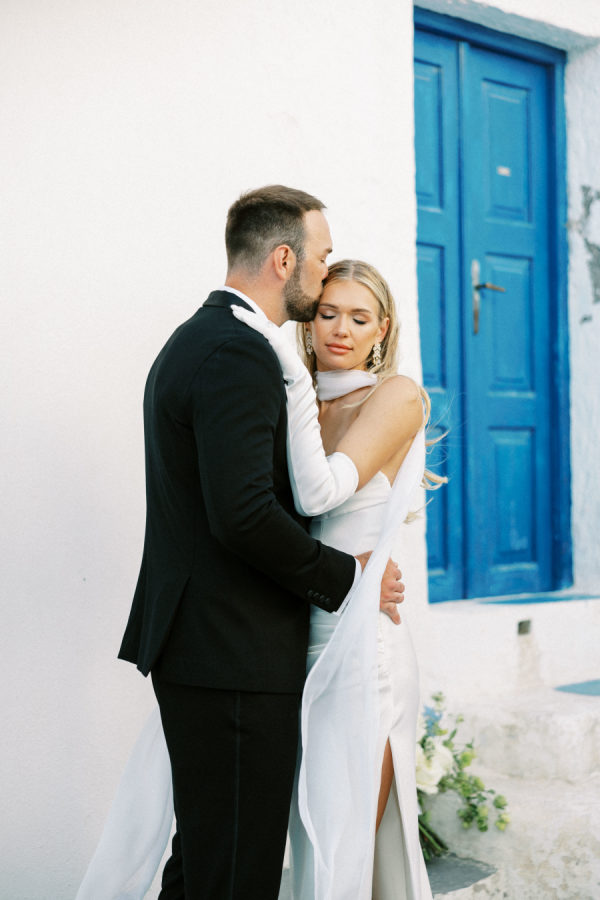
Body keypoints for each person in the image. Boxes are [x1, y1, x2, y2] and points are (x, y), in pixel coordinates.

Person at [104, 186, 405, 900]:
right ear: (284, 260)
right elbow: (242, 516)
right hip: (232, 651)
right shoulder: (239, 355)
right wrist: (350, 576)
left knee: (208, 862)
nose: (324, 275)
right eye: (321, 258)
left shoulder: (200, 339)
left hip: (211, 647)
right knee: (235, 871)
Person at [232, 259, 440, 899]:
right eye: (327, 313)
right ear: (309, 320)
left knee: (347, 846)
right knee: (308, 840)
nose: (340, 330)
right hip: (289, 638)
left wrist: (293, 378)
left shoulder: (395, 396)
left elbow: (318, 495)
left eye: (358, 317)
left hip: (362, 644)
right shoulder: (289, 398)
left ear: (382, 329)